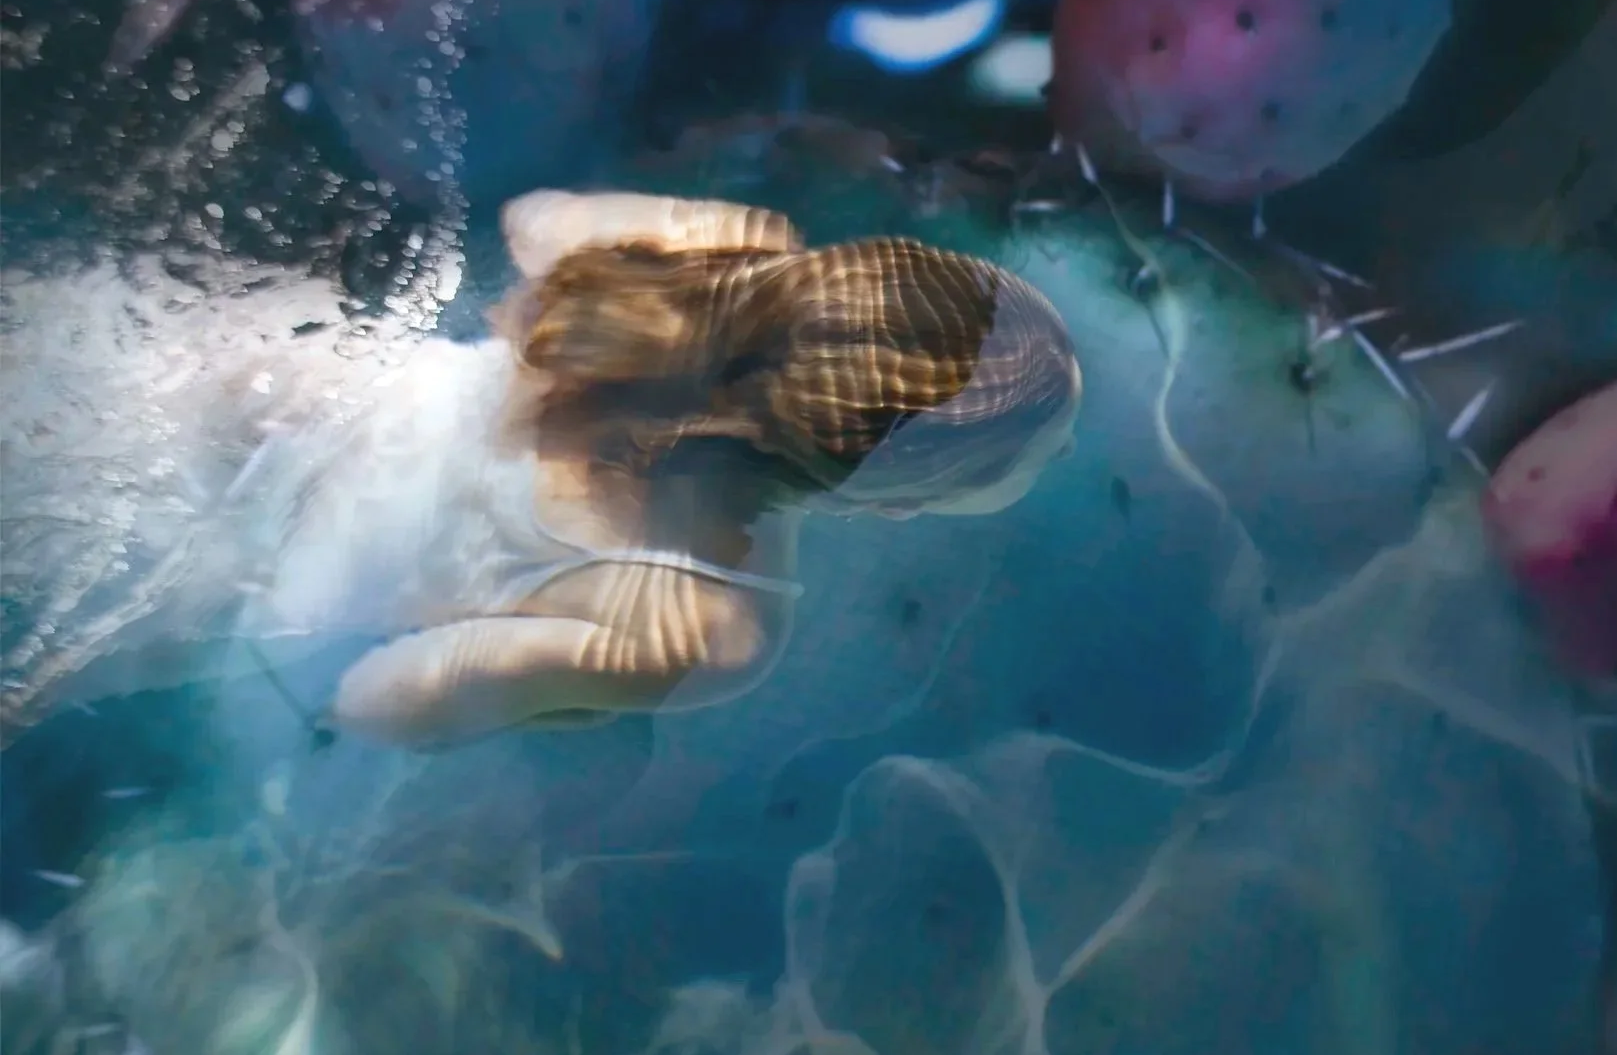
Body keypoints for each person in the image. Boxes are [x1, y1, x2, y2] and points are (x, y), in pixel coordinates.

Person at [0, 190, 1083, 750]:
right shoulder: (718, 628)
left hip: (273, 375)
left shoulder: (725, 248)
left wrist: (705, 241)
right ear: (897, 501)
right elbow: (386, 699)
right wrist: (554, 714)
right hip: (236, 584)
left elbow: (537, 224)